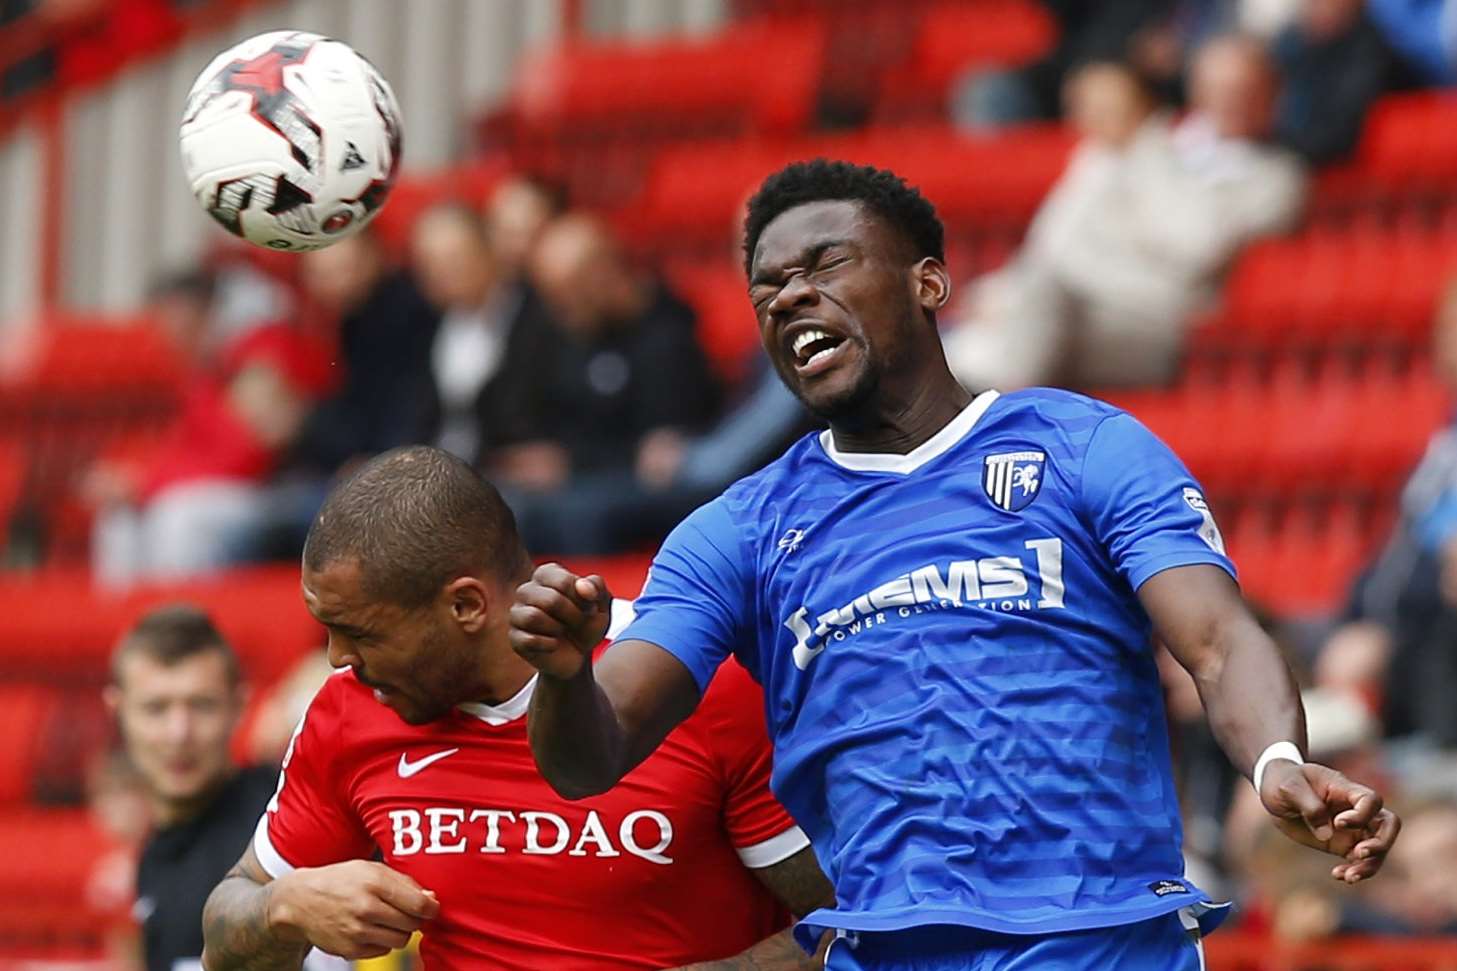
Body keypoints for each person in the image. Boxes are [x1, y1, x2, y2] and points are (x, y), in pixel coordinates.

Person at [509, 159, 1402, 970]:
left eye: (824, 266)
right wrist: (559, 673)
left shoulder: (1082, 446)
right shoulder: (735, 530)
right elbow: (594, 752)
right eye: (768, 287)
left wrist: (1276, 761)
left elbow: (1215, 639)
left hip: (1102, 941)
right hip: (885, 948)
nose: (789, 297)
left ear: (928, 281)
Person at [200, 445, 832, 970]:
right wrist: (284, 905)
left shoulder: (689, 684)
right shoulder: (348, 714)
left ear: (467, 606)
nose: (337, 658)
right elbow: (225, 937)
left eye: (359, 632)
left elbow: (855, 924)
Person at [944, 39, 1306, 390]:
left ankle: (977, 415)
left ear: (1271, 96)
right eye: (1219, 90)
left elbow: (1194, 245)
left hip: (1157, 324)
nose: (1229, 104)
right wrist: (1006, 295)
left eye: (1243, 91)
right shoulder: (1144, 146)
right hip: (1075, 304)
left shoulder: (1274, 178)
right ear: (1197, 91)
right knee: (1023, 302)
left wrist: (1148, 149)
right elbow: (1063, 234)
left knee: (1033, 310)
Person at [106, 604, 342, 971]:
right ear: (118, 710)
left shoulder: (289, 815)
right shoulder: (151, 857)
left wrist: (296, 703)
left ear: (239, 706)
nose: (179, 733)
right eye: (156, 709)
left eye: (202, 706)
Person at [506, 214, 723, 553]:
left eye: (568, 296)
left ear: (602, 275)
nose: (561, 311)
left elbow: (659, 456)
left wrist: (571, 461)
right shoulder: (568, 334)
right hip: (573, 479)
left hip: (639, 486)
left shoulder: (668, 336)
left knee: (578, 517)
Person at [409, 203, 559, 472]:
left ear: (489, 249)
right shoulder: (425, 326)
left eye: (455, 258)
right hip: (441, 474)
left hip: (512, 475)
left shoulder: (538, 317)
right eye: (430, 263)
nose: (443, 273)